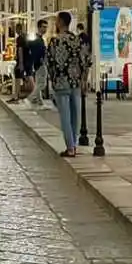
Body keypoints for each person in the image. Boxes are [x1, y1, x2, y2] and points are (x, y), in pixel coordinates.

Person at [45, 11, 89, 156]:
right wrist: (83, 79)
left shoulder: (55, 41)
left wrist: (52, 78)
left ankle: (70, 147)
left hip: (61, 82)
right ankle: (74, 144)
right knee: (75, 115)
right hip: (75, 81)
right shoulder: (77, 40)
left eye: (56, 21)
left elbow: (48, 62)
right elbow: (85, 61)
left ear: (60, 22)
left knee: (65, 116)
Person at [21, 21, 49, 105]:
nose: (45, 29)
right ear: (39, 27)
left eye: (46, 27)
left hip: (38, 63)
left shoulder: (39, 39)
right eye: (43, 27)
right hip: (40, 63)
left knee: (39, 82)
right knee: (42, 84)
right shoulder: (37, 40)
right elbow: (35, 52)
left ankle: (38, 100)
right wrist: (40, 60)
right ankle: (31, 97)